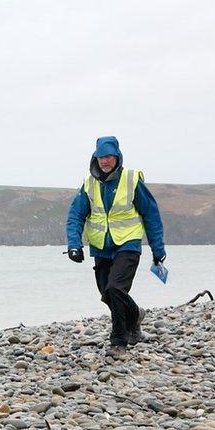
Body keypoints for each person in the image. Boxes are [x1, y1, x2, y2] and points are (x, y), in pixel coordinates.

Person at [65, 136, 165, 356]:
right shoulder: (89, 184)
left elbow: (151, 215)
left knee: (116, 289)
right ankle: (135, 314)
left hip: (128, 244)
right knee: (107, 293)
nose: (105, 161)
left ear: (117, 157)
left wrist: (158, 251)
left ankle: (118, 343)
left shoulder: (131, 180)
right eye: (101, 157)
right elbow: (75, 216)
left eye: (109, 157)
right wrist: (74, 244)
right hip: (102, 248)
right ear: (96, 158)